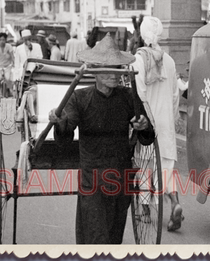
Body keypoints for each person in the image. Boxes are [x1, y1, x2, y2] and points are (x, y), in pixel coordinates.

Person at [48, 35, 154, 244]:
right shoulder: (80, 98)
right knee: (96, 236)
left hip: (121, 176)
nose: (115, 73)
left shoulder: (128, 97)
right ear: (94, 70)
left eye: (118, 67)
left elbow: (147, 137)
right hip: (93, 178)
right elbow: (64, 138)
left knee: (114, 236)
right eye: (109, 67)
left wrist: (144, 127)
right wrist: (60, 124)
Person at [131, 16, 184, 232]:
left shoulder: (138, 60)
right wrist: (171, 120)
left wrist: (142, 120)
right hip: (165, 123)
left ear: (142, 35)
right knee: (167, 169)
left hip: (148, 122)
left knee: (145, 167)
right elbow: (174, 97)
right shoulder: (169, 61)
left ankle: (144, 210)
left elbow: (140, 94)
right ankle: (174, 203)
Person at [0, 32, 14, 99]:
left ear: (6, 40)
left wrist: (13, 63)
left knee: (8, 78)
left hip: (7, 66)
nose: (2, 41)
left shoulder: (9, 46)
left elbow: (12, 56)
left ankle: (10, 91)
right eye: (1, 40)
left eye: (4, 39)